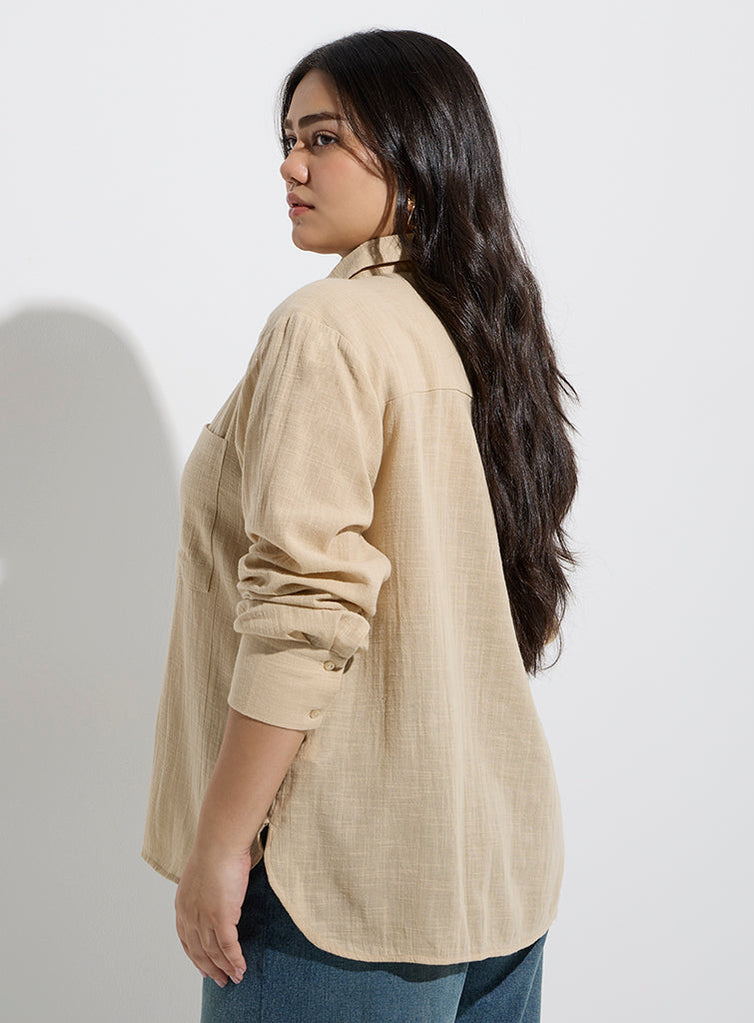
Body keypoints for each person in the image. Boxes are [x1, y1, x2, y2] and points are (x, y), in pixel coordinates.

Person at [141, 27, 579, 1023]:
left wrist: (222, 842)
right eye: (288, 139)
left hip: (338, 884)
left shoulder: (327, 326)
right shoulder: (475, 328)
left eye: (324, 138)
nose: (290, 166)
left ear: (418, 154)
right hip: (493, 873)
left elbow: (302, 609)